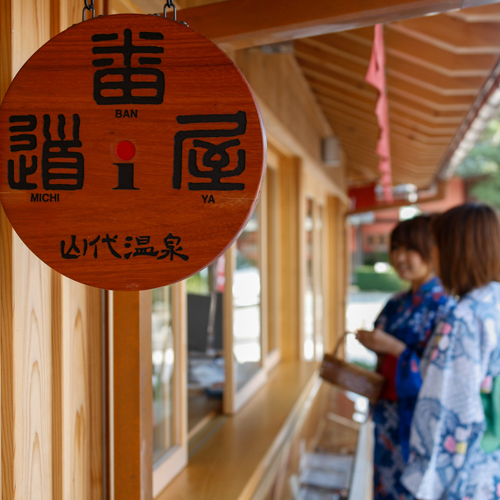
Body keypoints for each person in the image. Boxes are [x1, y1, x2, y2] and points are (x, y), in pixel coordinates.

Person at [402, 204, 500, 500]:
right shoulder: (493, 301)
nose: (434, 256)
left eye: (436, 246)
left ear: (455, 250)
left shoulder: (463, 319)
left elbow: (445, 411)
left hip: (465, 472)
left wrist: (424, 483)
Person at [356, 215, 455, 500]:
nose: (400, 257)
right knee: (385, 483)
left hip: (417, 417)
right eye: (396, 248)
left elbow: (440, 372)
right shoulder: (396, 302)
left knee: (413, 489)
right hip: (386, 408)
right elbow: (382, 345)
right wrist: (373, 342)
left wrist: (393, 347)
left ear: (431, 250)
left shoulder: (444, 306)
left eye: (409, 249)